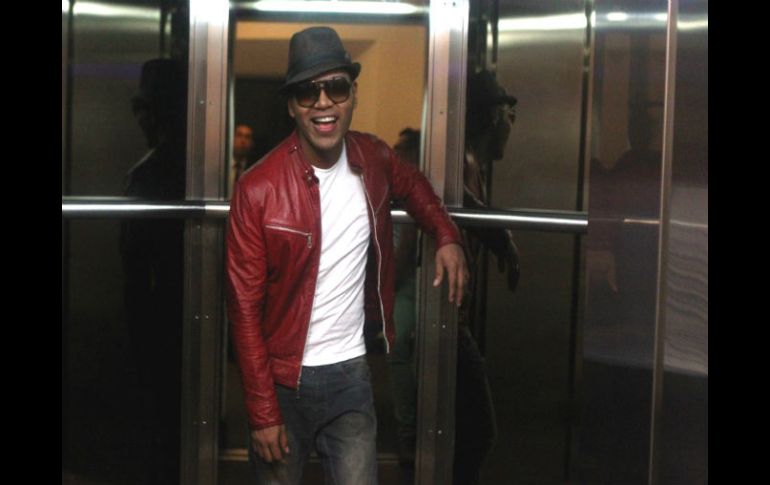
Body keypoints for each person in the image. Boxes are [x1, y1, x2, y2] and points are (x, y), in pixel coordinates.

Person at [226, 26, 468, 485]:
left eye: (335, 87)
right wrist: (261, 411)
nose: (323, 103)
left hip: (351, 375)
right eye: (307, 92)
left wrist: (446, 235)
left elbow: (415, 186)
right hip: (282, 382)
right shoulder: (256, 189)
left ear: (352, 94)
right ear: (291, 105)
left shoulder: (373, 157)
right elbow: (243, 310)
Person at [120, 58, 187, 485]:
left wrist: (137, 334)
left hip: (159, 315)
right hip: (178, 311)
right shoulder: (198, 168)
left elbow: (133, 270)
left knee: (163, 423)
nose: (140, 119)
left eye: (144, 108)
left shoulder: (148, 175)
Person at [452, 69, 520, 485]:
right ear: (494, 117)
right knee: (478, 434)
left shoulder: (473, 166)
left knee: (469, 435)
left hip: (456, 320)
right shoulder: (458, 165)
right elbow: (449, 197)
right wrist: (501, 235)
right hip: (444, 323)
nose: (512, 127)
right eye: (510, 116)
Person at [387, 128, 421, 469]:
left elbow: (406, 249)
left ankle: (408, 435)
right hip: (397, 281)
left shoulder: (412, 189)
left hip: (408, 283)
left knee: (397, 351)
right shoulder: (393, 187)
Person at [228, 123, 257, 198]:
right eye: (239, 135)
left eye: (247, 137)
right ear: (231, 138)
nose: (243, 141)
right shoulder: (222, 166)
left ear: (252, 143)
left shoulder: (254, 169)